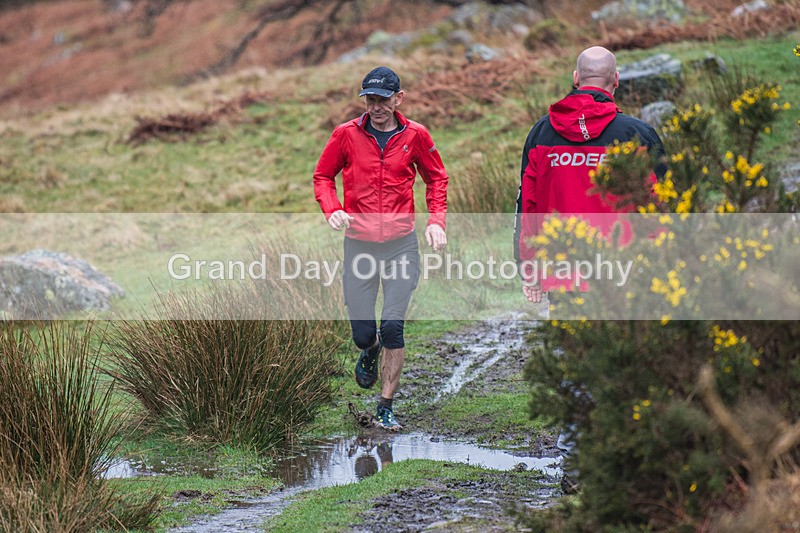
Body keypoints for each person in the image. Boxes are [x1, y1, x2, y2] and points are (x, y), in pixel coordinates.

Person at [513, 46, 665, 492]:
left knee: (574, 367)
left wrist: (530, 268)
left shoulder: (542, 133)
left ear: (576, 78)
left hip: (565, 276)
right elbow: (662, 207)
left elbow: (529, 206)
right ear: (615, 81)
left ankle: (576, 463)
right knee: (627, 363)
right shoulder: (637, 134)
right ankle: (621, 460)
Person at [314, 66, 449, 431]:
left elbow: (436, 178)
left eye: (383, 100)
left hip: (401, 245)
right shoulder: (345, 135)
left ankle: (385, 405)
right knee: (363, 334)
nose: (376, 107)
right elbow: (323, 176)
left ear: (398, 99)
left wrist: (436, 221)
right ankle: (369, 350)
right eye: (370, 100)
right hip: (358, 246)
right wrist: (332, 208)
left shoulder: (416, 135)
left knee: (393, 326)